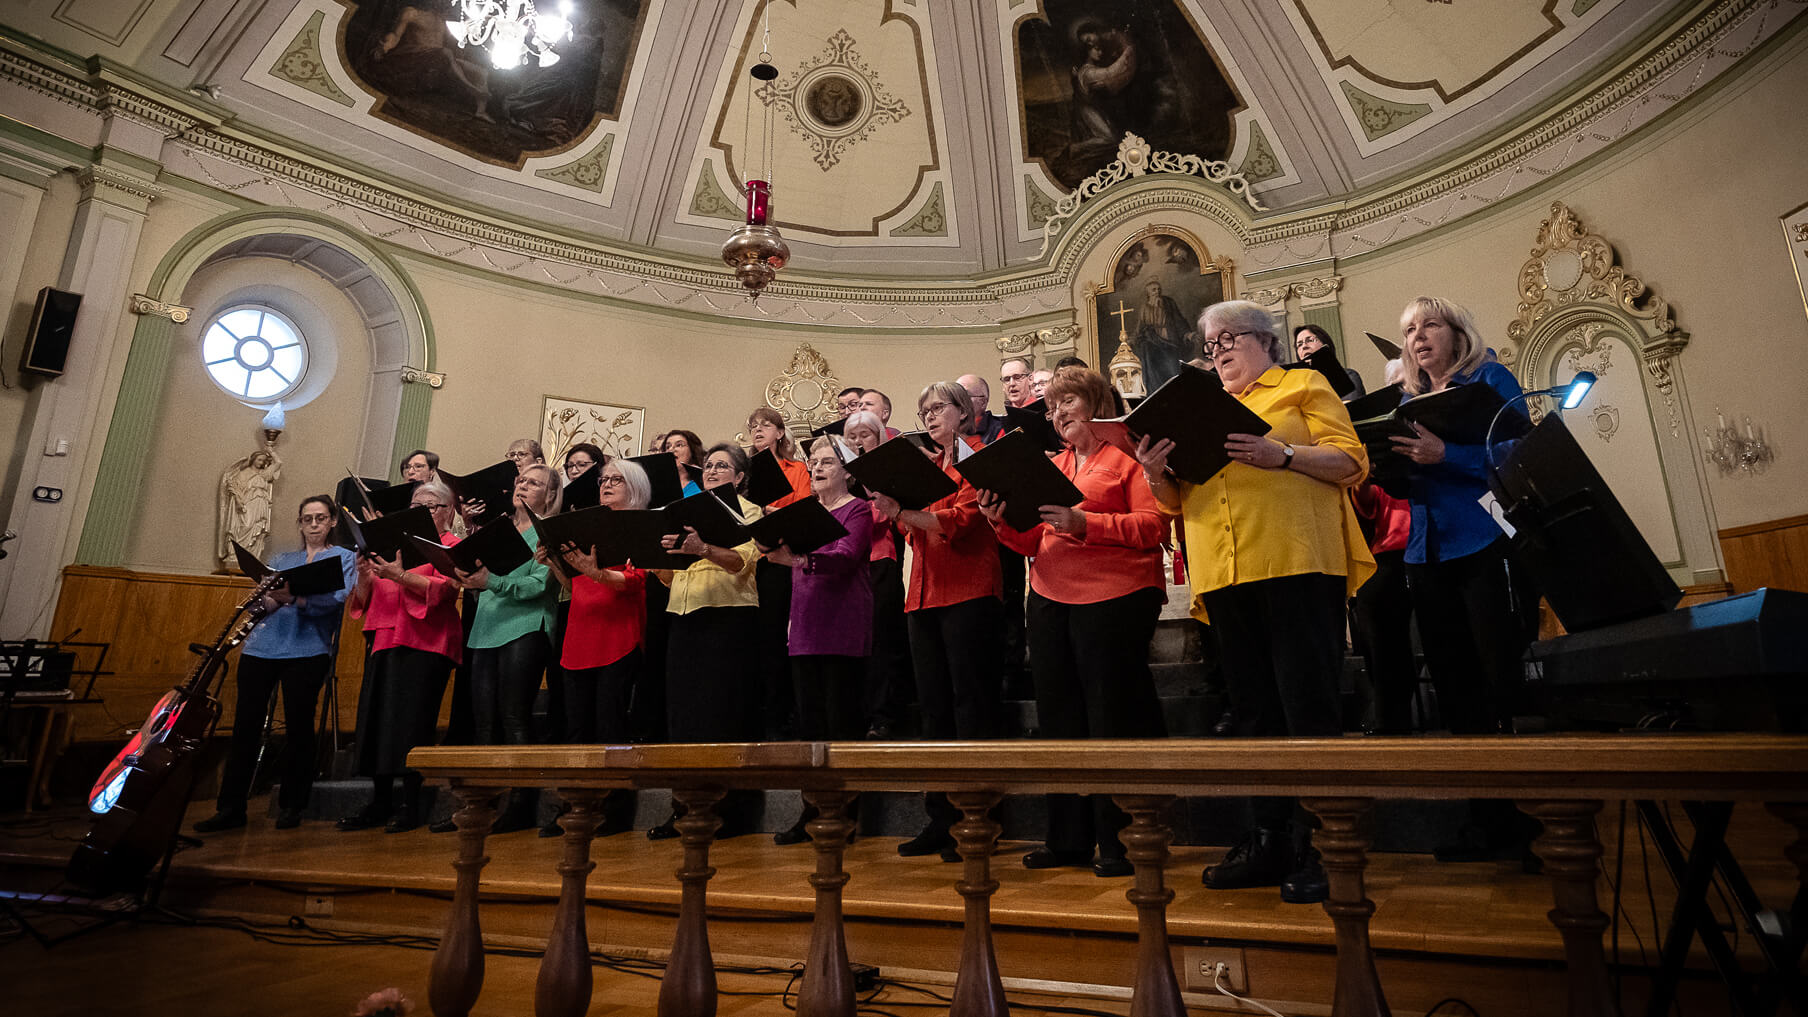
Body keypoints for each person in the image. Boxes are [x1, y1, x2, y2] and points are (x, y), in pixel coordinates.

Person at [1135, 299, 1373, 904]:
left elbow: (1351, 462)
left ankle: (1326, 844)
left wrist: (1284, 455)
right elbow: (1172, 504)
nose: (1218, 351)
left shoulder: (1301, 384)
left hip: (1294, 563)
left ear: (1268, 341)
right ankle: (1269, 837)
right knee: (1255, 717)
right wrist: (1155, 472)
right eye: (1209, 345)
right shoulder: (1198, 409)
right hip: (1225, 574)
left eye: (1229, 339)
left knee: (1308, 708)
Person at [977, 367, 1167, 878]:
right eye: (1052, 407)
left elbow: (1154, 526)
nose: (1058, 415)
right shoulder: (1051, 465)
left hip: (1116, 595)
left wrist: (1087, 523)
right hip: (1049, 595)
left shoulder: (1125, 458)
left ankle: (1122, 839)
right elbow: (1033, 540)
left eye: (1069, 404)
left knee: (1111, 719)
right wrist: (999, 520)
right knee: (1059, 720)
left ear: (1096, 404)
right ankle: (1068, 838)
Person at [871, 382, 1003, 861]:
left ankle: (978, 816)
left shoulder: (979, 459)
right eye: (923, 410)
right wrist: (899, 513)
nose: (929, 416)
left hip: (968, 589)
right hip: (923, 595)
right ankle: (940, 817)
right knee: (933, 708)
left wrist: (903, 512)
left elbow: (962, 520)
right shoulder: (925, 467)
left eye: (938, 408)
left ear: (964, 412)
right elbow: (914, 534)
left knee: (971, 703)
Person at [195, 496, 357, 833]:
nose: (313, 524)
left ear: (332, 523)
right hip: (261, 649)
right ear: (299, 523)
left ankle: (293, 805)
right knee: (244, 728)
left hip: (308, 651)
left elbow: (336, 603)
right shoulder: (283, 559)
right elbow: (267, 602)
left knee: (299, 728)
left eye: (320, 518)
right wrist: (267, 599)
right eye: (307, 518)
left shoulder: (343, 558)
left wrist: (294, 598)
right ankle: (230, 809)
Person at [649, 443, 763, 839]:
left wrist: (703, 549)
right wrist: (652, 558)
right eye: (709, 465)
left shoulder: (749, 511)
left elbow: (740, 563)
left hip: (727, 616)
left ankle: (727, 811)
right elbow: (670, 577)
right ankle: (682, 808)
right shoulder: (683, 511)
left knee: (721, 714)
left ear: (740, 476)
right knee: (682, 717)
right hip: (683, 615)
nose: (712, 471)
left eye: (721, 466)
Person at [765, 438, 874, 844]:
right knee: (810, 729)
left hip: (843, 625)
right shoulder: (802, 513)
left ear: (847, 470)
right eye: (813, 462)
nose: (817, 467)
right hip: (805, 628)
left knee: (841, 724)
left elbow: (846, 555)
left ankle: (844, 815)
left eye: (828, 461)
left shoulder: (858, 508)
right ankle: (811, 810)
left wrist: (797, 559)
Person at [342, 479, 464, 833]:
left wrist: (402, 576)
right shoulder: (389, 545)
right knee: (377, 721)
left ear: (448, 512)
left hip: (426, 640)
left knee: (414, 723)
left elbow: (446, 590)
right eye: (415, 507)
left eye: (429, 507)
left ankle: (411, 804)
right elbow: (364, 597)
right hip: (385, 637)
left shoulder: (450, 544)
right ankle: (380, 801)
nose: (421, 513)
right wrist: (365, 574)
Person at [458, 463, 561, 832]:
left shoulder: (547, 532)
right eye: (521, 480)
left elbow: (540, 587)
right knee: (484, 720)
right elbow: (480, 577)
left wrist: (492, 582)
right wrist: (471, 578)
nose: (523, 486)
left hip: (526, 626)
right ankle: (483, 803)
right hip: (487, 625)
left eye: (534, 483)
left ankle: (521, 802)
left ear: (549, 495)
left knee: (515, 716)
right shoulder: (496, 530)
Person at [845, 411, 913, 739]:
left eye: (865, 435)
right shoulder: (841, 476)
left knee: (882, 642)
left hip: (879, 561)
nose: (858, 441)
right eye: (852, 436)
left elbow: (884, 518)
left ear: (879, 437)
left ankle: (883, 716)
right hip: (845, 567)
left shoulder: (888, 472)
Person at [748, 407, 812, 740]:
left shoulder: (797, 469)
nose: (758, 430)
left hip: (781, 557)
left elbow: (803, 508)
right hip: (748, 560)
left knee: (780, 638)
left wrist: (772, 512)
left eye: (765, 425)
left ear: (780, 433)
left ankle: (783, 714)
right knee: (756, 641)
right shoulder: (743, 471)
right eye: (753, 426)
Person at [1294, 324, 1367, 402]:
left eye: (1310, 340)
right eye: (1299, 344)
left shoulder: (1349, 376)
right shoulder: (1297, 386)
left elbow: (1349, 408)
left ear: (1325, 344)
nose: (1304, 346)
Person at [958, 374, 1007, 444]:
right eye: (955, 396)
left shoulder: (1001, 430)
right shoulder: (948, 428)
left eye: (964, 395)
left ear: (983, 402)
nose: (957, 400)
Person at [663, 429, 705, 496]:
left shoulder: (704, 482)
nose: (671, 450)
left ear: (692, 450)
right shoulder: (661, 483)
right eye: (668, 447)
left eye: (679, 445)